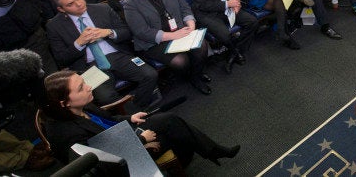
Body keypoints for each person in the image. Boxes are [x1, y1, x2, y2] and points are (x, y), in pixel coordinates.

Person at [41, 70, 240, 167]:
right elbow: (101, 161)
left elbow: (107, 120)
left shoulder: (81, 104)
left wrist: (130, 117)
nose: (89, 87)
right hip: (121, 160)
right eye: (81, 87)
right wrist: (141, 142)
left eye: (84, 83)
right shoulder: (66, 135)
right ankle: (207, 153)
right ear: (63, 103)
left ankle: (211, 151)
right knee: (172, 130)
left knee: (169, 120)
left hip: (123, 135)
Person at [45, 0, 160, 109]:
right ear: (61, 9)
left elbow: (127, 32)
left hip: (118, 56)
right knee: (105, 97)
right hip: (90, 67)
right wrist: (79, 43)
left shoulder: (102, 9)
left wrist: (109, 32)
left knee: (150, 75)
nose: (78, 4)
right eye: (70, 4)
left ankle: (136, 110)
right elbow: (61, 59)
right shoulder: (54, 26)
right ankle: (133, 114)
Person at [122, 0, 213, 95]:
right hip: (155, 42)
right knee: (181, 61)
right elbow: (142, 32)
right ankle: (192, 77)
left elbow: (184, 7)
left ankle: (196, 74)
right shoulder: (130, 3)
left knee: (202, 46)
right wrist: (173, 36)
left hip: (180, 31)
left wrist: (191, 26)